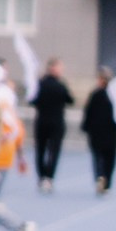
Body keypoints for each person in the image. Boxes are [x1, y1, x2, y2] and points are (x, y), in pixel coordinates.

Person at [0, 86, 34, 231]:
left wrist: (20, 155)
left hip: (0, 160)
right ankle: (19, 227)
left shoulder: (2, 103)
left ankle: (20, 227)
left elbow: (14, 131)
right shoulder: (4, 102)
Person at [29, 59, 71, 192]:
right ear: (53, 68)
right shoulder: (60, 85)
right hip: (55, 122)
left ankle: (43, 177)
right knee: (52, 151)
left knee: (41, 151)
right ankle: (48, 177)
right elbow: (70, 100)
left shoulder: (40, 84)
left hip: (42, 122)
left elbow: (33, 100)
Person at [82, 68, 116, 195]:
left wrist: (86, 127)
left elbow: (88, 112)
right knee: (109, 158)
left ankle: (100, 176)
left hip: (97, 132)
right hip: (110, 132)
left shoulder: (96, 94)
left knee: (98, 157)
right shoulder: (114, 95)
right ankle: (106, 181)